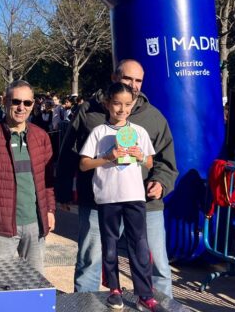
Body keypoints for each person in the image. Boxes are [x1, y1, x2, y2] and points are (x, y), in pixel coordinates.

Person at [56, 59, 177, 300]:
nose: (133, 84)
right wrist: (62, 190)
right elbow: (69, 152)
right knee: (91, 259)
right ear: (114, 78)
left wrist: (161, 183)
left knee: (156, 263)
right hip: (98, 201)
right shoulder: (89, 112)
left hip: (144, 202)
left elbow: (165, 158)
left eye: (138, 80)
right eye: (127, 79)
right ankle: (86, 303)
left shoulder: (153, 117)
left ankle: (159, 303)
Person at [79, 82, 157, 310]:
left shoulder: (139, 132)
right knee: (110, 245)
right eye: (117, 104)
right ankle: (114, 289)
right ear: (107, 104)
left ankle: (145, 293)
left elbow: (150, 162)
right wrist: (107, 157)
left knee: (140, 246)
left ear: (132, 105)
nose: (122, 109)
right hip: (108, 198)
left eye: (127, 104)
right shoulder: (99, 132)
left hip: (134, 196)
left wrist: (141, 155)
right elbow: (84, 164)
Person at [0, 80, 56, 274]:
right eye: (16, 101)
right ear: (5, 101)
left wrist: (49, 209)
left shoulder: (41, 137)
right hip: (0, 226)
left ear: (33, 104)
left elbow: (47, 182)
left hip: (35, 225)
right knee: (1, 285)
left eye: (27, 103)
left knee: (35, 283)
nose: (21, 107)